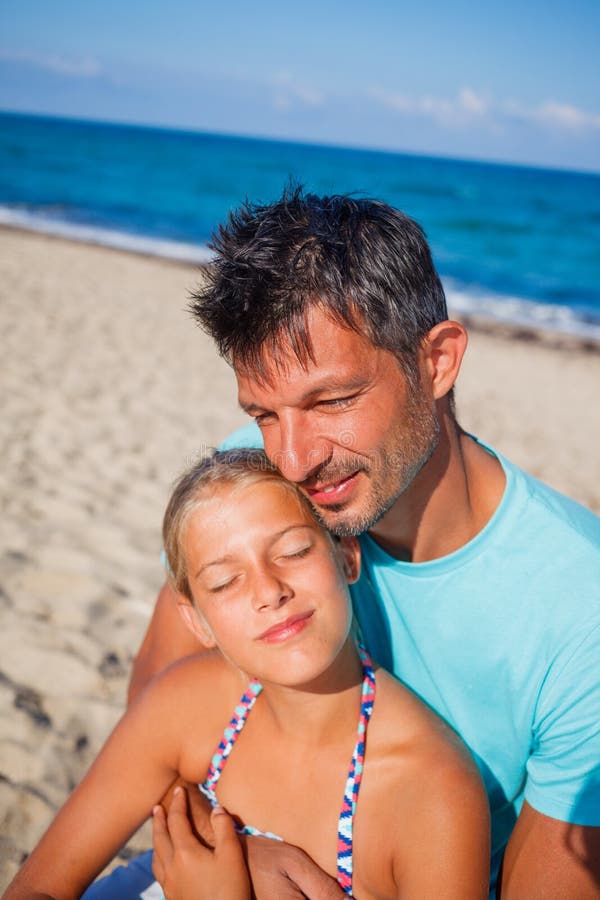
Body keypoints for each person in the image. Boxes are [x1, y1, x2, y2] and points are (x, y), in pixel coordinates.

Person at [89, 188, 600, 898]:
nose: (294, 460)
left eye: (331, 401)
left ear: (439, 361)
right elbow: (158, 695)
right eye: (265, 412)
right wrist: (231, 841)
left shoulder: (581, 607)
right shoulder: (261, 475)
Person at [3, 449, 490, 900]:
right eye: (224, 580)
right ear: (197, 621)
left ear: (346, 554)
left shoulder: (430, 794)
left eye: (294, 551)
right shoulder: (186, 704)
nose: (268, 590)